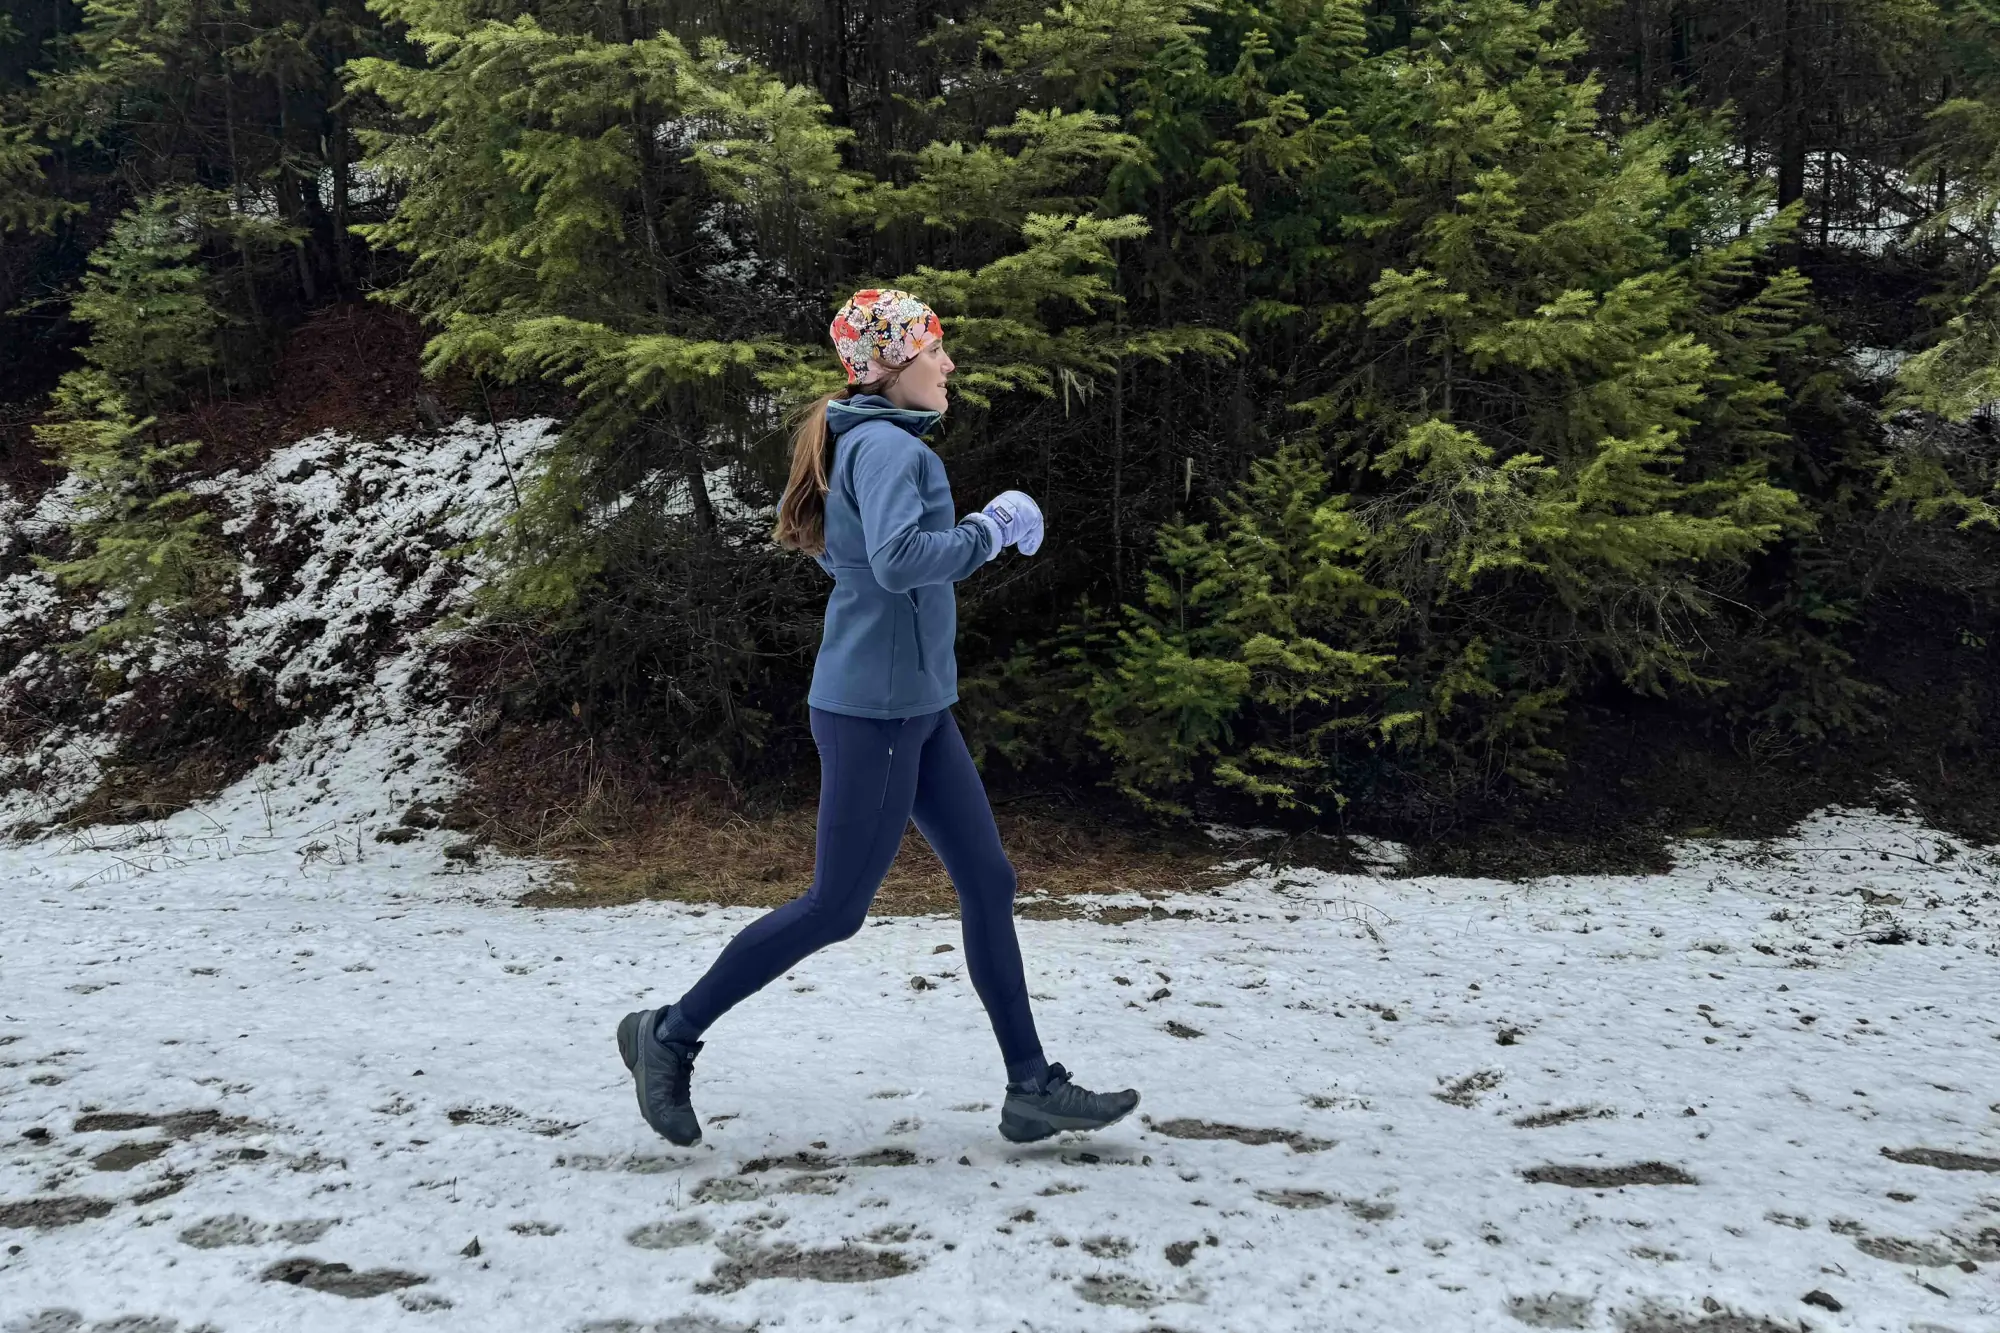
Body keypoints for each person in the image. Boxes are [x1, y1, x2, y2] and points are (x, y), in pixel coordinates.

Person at [617, 289, 1140, 1147]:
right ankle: (667, 1035)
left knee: (989, 881)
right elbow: (899, 562)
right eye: (936, 349)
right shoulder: (893, 451)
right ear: (892, 365)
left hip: (916, 707)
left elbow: (853, 561)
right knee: (836, 907)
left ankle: (1030, 1085)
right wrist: (991, 528)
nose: (949, 364)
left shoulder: (863, 440)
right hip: (878, 714)